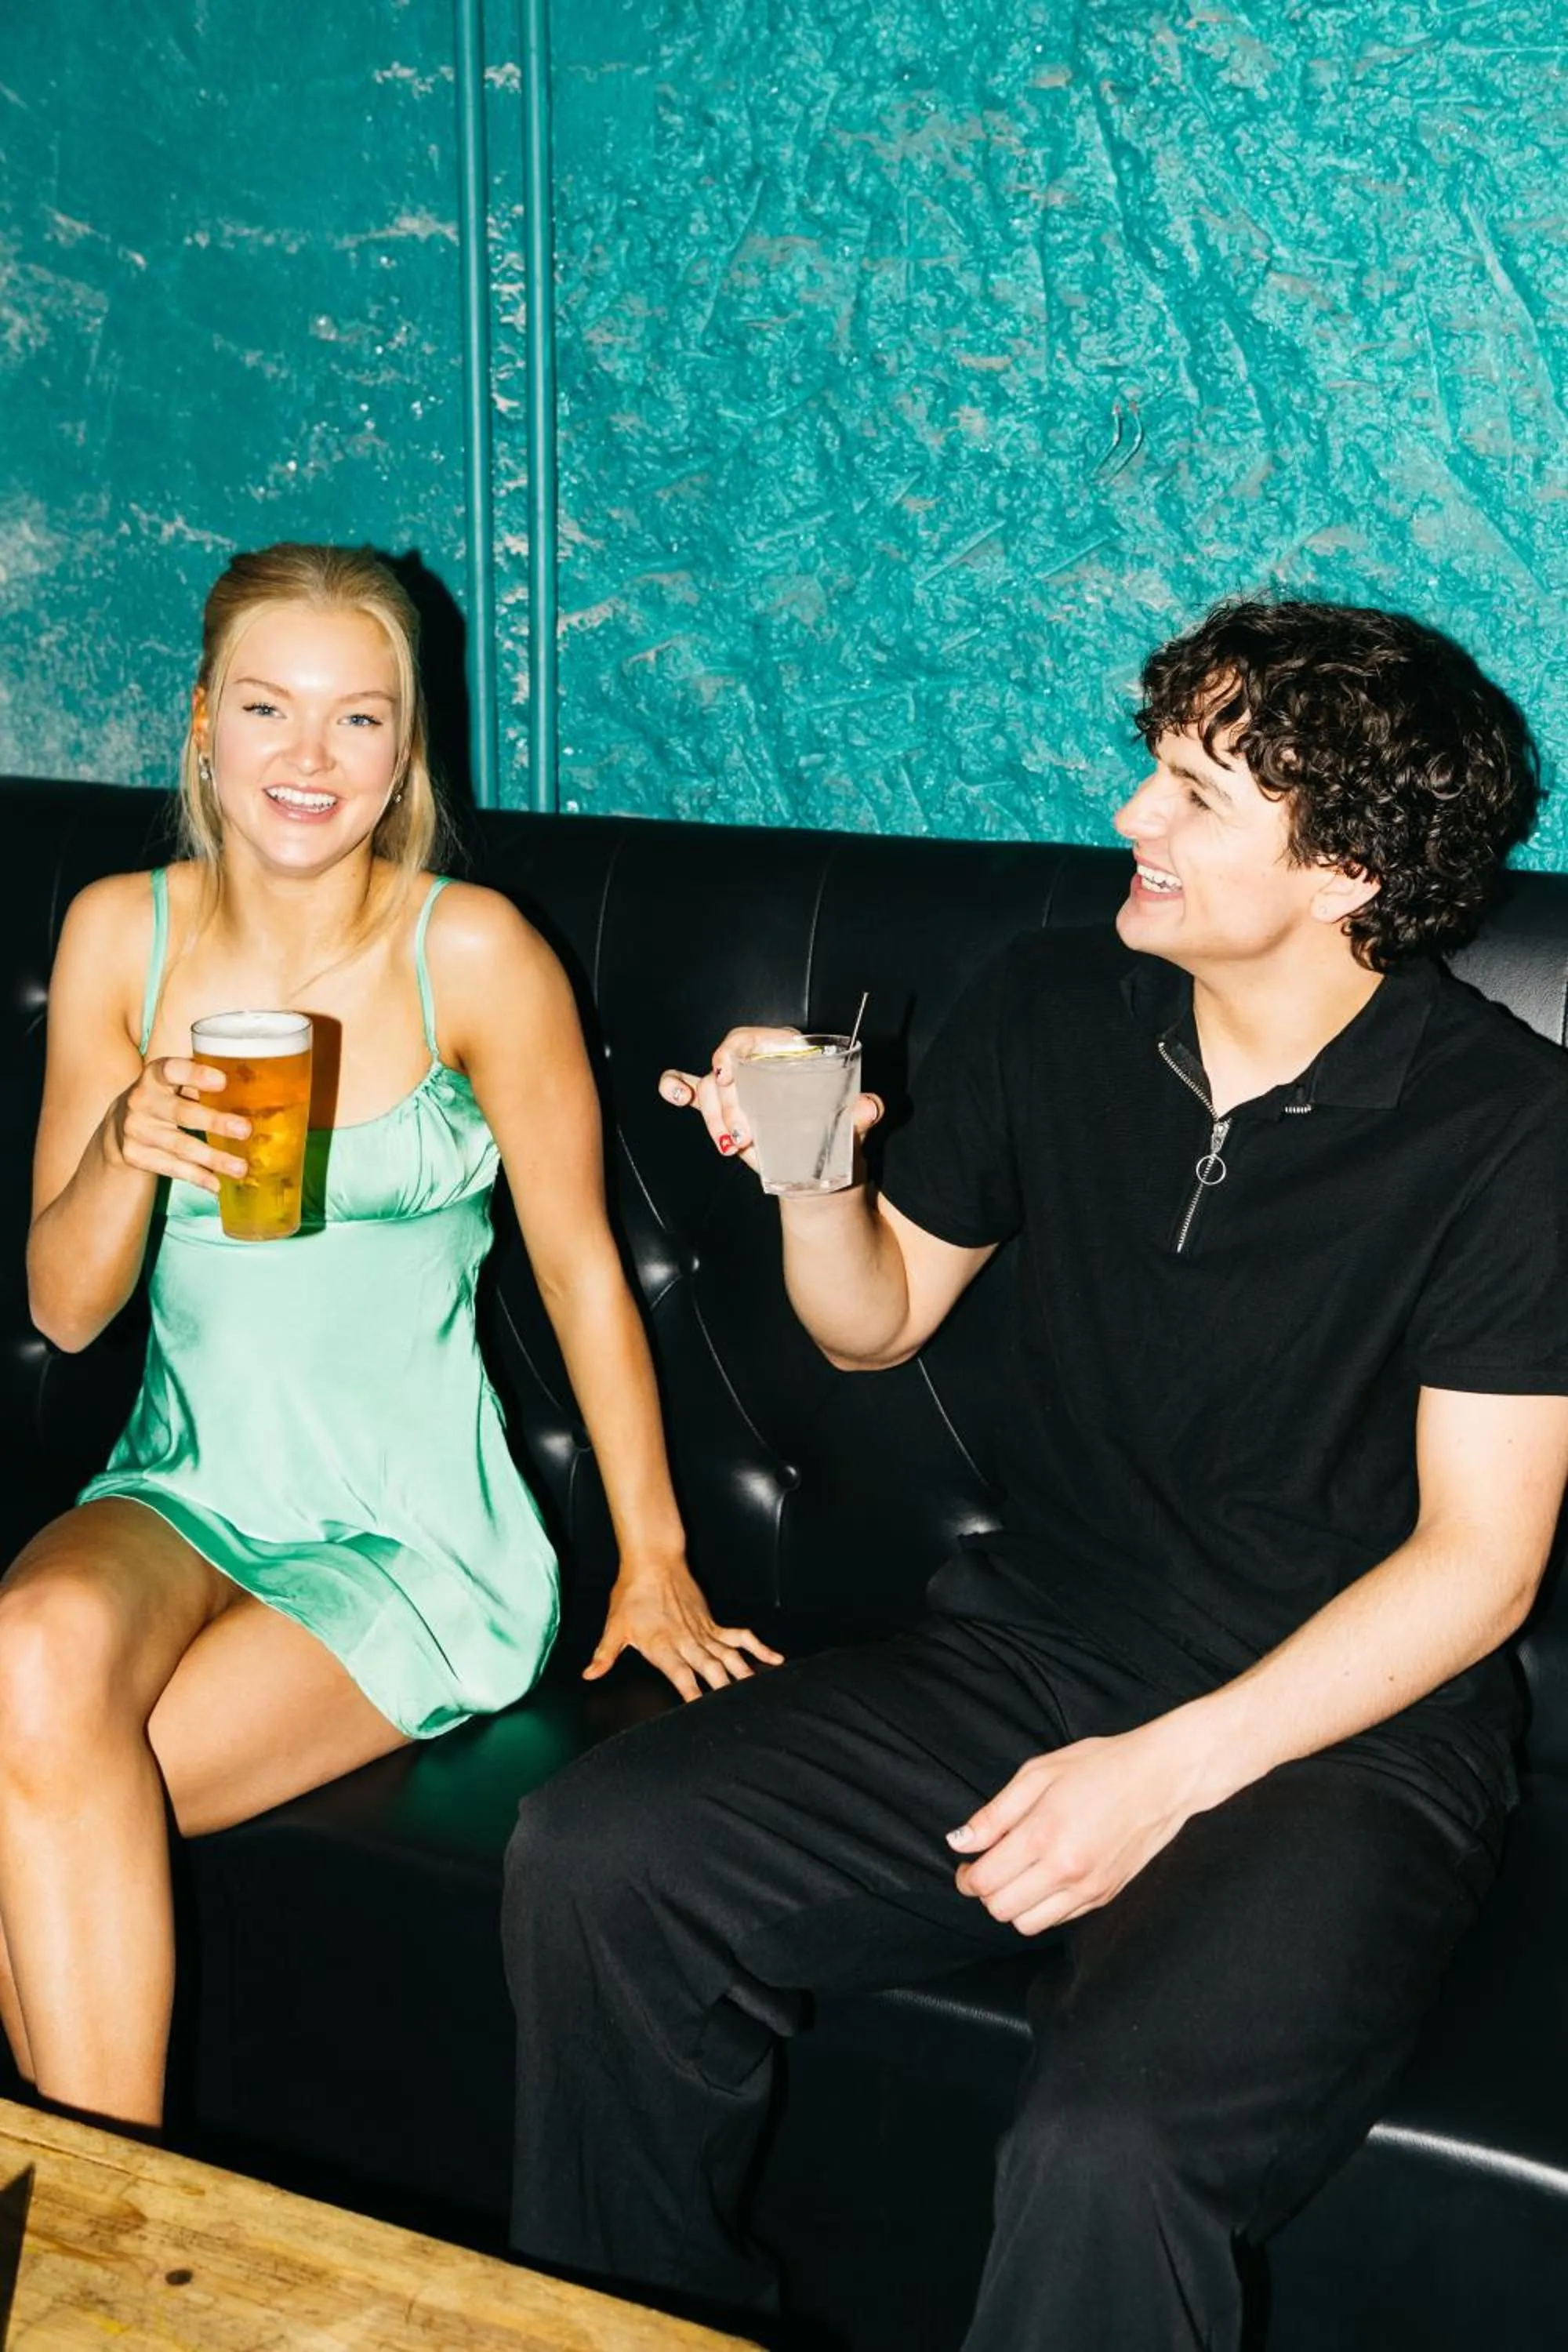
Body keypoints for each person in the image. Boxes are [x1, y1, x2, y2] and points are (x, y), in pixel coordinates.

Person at [502, 600, 1568, 2350]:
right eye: (1153, 770)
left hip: (1344, 1740)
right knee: (599, 1857)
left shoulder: (1510, 1135)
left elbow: (1480, 1568)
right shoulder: (1058, 1002)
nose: (1133, 819)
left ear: (1349, 870)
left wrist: (1159, 1776)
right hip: (1034, 1651)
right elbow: (872, 1325)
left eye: (1198, 795)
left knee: (1110, 2147)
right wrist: (807, 1171)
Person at [0, 541, 777, 2133]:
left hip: (409, 1531)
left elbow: (581, 1270)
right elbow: (64, 1307)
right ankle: (112, 2256)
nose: (310, 758)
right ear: (201, 718)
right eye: (270, 707)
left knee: (36, 1799)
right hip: (187, 1489)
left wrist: (653, 1559)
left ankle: (98, 2250)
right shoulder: (114, 937)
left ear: (407, 747)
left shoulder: (472, 950)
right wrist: (122, 1153)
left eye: (361, 720)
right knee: (28, 1661)